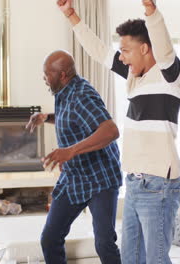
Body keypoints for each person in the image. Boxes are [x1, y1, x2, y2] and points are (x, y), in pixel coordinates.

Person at [56, 0, 180, 263]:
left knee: (156, 259)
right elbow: (99, 51)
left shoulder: (169, 76)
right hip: (135, 183)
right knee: (130, 258)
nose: (122, 56)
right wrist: (71, 16)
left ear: (145, 48)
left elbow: (164, 47)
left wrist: (151, 11)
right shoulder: (133, 77)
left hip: (159, 185)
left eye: (126, 50)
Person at [26, 50, 122, 264]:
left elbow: (111, 131)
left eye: (47, 73)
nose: (44, 77)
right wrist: (46, 117)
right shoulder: (64, 90)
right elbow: (72, 117)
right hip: (75, 177)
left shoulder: (82, 96)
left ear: (62, 74)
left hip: (100, 179)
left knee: (104, 243)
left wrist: (69, 151)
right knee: (50, 238)